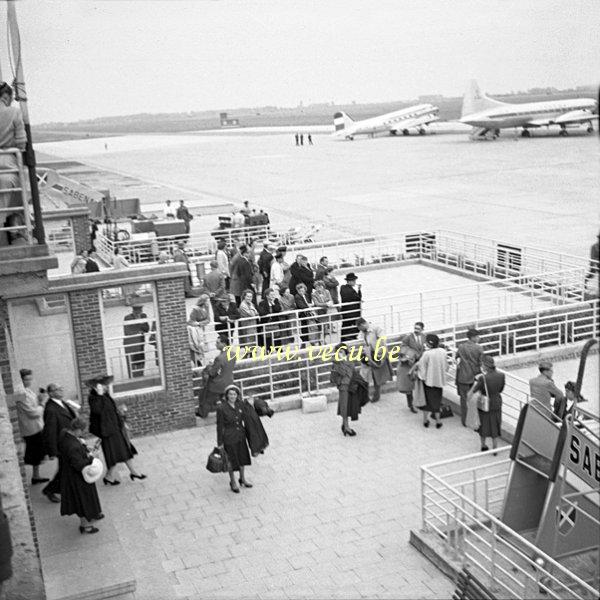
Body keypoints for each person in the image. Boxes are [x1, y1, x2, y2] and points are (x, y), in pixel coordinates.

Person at [87, 375, 146, 484]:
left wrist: (121, 420)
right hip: (107, 431)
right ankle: (112, 476)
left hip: (115, 428)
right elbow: (98, 411)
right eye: (103, 385)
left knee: (123, 451)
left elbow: (111, 410)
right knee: (114, 454)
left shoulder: (105, 395)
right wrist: (99, 395)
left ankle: (130, 472)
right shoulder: (93, 398)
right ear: (97, 387)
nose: (106, 387)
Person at [58, 417, 104, 534]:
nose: (83, 433)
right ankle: (85, 526)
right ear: (77, 429)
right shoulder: (72, 445)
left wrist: (84, 448)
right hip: (77, 478)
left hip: (71, 475)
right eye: (82, 431)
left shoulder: (65, 435)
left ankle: (93, 515)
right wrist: (91, 457)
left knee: (87, 498)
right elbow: (78, 464)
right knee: (83, 501)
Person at [42, 383, 78, 503]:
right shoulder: (51, 409)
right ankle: (51, 489)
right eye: (58, 389)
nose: (61, 390)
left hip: (69, 440)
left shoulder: (61, 402)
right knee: (64, 469)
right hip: (62, 444)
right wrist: (52, 451)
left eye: (61, 388)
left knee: (65, 469)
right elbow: (50, 431)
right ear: (51, 393)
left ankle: (58, 489)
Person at [0, 82, 26, 247]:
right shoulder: (14, 112)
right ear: (6, 97)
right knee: (19, 198)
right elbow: (22, 142)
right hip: (8, 163)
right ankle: (16, 229)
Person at [216, 385, 253, 493]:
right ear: (227, 395)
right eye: (230, 394)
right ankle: (232, 481)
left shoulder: (240, 404)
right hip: (229, 437)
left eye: (235, 394)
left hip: (241, 436)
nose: (232, 396)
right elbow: (219, 426)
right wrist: (220, 442)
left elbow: (248, 415)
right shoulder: (221, 408)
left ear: (238, 395)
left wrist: (251, 403)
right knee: (231, 461)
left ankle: (242, 479)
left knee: (242, 458)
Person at [16, 369, 48, 485]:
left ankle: (36, 475)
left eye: (30, 378)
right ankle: (33, 476)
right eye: (26, 379)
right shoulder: (21, 393)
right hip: (30, 428)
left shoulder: (27, 390)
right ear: (21, 379)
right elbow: (32, 413)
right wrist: (42, 403)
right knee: (34, 453)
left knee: (37, 453)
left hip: (35, 426)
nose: (29, 381)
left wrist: (39, 400)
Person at [330, 344, 368, 436]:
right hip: (343, 386)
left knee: (349, 405)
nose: (339, 354)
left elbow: (352, 370)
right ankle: (346, 427)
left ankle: (344, 424)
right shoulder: (336, 362)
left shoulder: (348, 359)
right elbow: (343, 372)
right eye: (338, 352)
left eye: (341, 352)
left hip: (351, 386)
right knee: (344, 406)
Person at [469, 355, 505, 452]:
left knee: (484, 424)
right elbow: (501, 389)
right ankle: (495, 446)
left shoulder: (483, 378)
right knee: (495, 424)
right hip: (496, 402)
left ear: (485, 365)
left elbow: (474, 390)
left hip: (485, 403)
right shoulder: (501, 375)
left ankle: (483, 445)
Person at [197, 336, 236, 418]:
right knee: (225, 400)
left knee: (205, 399)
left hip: (217, 385)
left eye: (218, 343)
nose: (216, 344)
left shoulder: (219, 358)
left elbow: (212, 373)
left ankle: (203, 414)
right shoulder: (233, 354)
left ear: (224, 344)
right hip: (229, 382)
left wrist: (209, 366)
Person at [414, 334, 448, 429]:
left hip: (428, 381)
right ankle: (438, 421)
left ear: (429, 343)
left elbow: (422, 367)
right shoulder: (443, 352)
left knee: (427, 402)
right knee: (437, 401)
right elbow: (446, 366)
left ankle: (425, 420)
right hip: (439, 381)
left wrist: (420, 376)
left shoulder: (427, 354)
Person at [356, 318, 393, 403]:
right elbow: (361, 341)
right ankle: (364, 395)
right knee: (364, 374)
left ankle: (377, 394)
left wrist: (379, 354)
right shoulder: (362, 332)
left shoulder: (376, 328)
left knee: (377, 375)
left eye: (360, 329)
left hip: (377, 354)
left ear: (363, 324)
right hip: (367, 354)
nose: (360, 331)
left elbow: (382, 340)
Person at [455, 328, 485, 426]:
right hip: (474, 376)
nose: (479, 338)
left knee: (464, 400)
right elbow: (481, 363)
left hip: (462, 376)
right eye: (477, 336)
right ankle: (473, 420)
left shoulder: (461, 347)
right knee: (474, 399)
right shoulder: (479, 348)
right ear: (472, 337)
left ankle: (465, 421)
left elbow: (457, 358)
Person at [123, 304, 149, 378]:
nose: (139, 312)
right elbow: (127, 332)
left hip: (140, 343)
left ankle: (141, 376)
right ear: (133, 310)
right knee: (132, 362)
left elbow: (146, 329)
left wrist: (141, 322)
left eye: (140, 310)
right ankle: (133, 377)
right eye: (137, 310)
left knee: (141, 360)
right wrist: (138, 330)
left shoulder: (143, 316)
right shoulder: (128, 317)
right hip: (131, 344)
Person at [188, 295, 211, 366]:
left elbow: (208, 319)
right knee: (195, 345)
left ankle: (200, 362)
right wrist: (197, 324)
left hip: (201, 329)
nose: (209, 302)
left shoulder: (207, 307)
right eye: (207, 301)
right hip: (194, 331)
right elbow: (191, 321)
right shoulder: (195, 309)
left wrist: (199, 323)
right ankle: (197, 363)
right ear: (203, 302)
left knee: (202, 346)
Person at [339, 273, 362, 341]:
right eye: (354, 281)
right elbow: (358, 298)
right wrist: (359, 290)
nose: (355, 282)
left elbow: (357, 298)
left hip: (347, 313)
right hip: (352, 313)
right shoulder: (349, 289)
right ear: (349, 281)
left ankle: (345, 340)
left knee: (346, 328)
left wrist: (358, 290)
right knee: (352, 328)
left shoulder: (343, 288)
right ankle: (350, 339)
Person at [396, 345, 418, 413]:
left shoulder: (413, 350)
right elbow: (401, 360)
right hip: (406, 371)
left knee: (413, 389)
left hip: (413, 369)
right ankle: (411, 405)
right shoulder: (404, 349)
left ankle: (413, 404)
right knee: (409, 390)